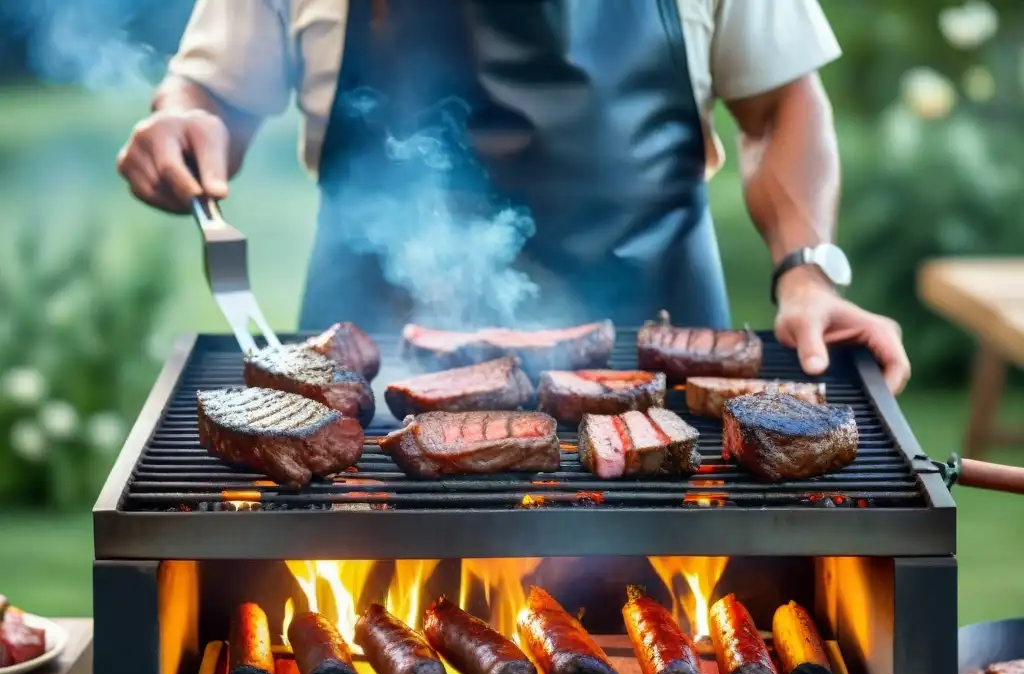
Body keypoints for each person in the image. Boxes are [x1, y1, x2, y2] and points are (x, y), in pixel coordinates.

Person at [116, 0, 911, 393]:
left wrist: (806, 271)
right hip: (381, 370)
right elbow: (211, 95)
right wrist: (183, 119)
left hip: (657, 364)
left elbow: (781, 107)